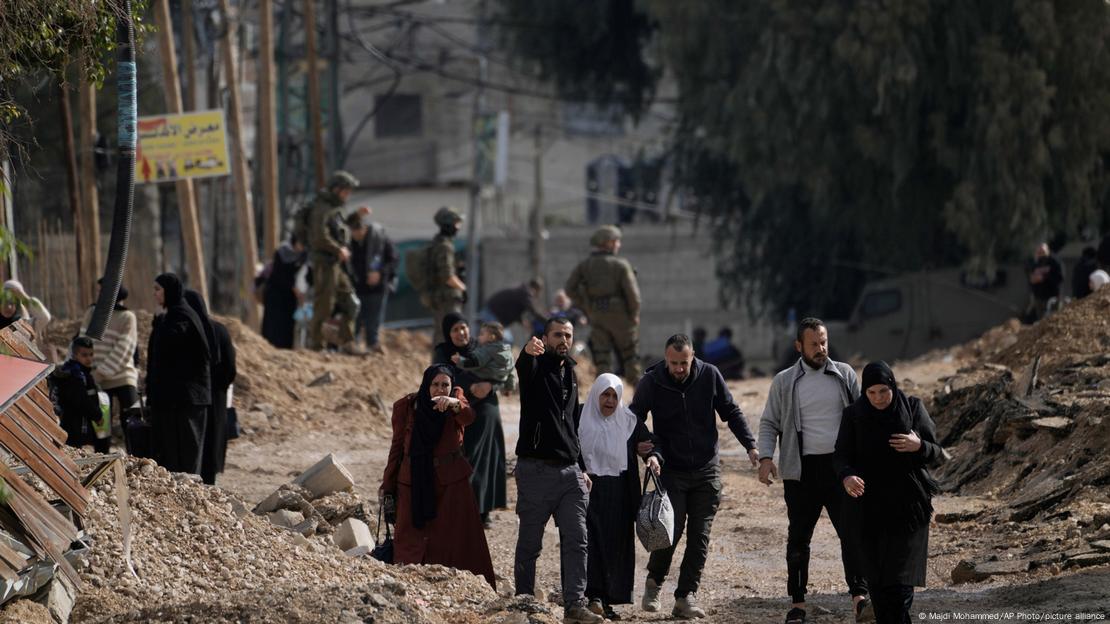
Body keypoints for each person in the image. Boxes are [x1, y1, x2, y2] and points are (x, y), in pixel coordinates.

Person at [630, 334, 760, 619]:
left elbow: (731, 411)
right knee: (669, 532)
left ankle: (685, 596)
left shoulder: (710, 375)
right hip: (671, 470)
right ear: (666, 359)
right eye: (674, 363)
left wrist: (751, 446)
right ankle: (654, 582)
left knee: (699, 537)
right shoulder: (652, 382)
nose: (679, 369)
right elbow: (633, 417)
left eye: (684, 363)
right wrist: (647, 447)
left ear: (693, 358)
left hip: (706, 469)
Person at [758, 317, 870, 624]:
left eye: (824, 342)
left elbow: (862, 418)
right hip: (801, 471)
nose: (821, 349)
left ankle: (860, 599)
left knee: (852, 534)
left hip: (840, 469)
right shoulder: (784, 381)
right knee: (798, 540)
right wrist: (766, 457)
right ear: (799, 346)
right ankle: (798, 604)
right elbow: (769, 422)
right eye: (814, 344)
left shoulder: (844, 374)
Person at [835, 362, 943, 624]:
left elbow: (937, 454)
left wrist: (918, 445)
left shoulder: (913, 408)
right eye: (871, 393)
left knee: (900, 585)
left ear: (893, 387)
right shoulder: (853, 415)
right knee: (879, 587)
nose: (878, 399)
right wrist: (847, 476)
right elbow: (840, 456)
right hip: (868, 510)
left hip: (908, 508)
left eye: (884, 391)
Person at [513, 318, 603, 624]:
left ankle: (575, 605)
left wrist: (581, 467)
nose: (563, 339)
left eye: (567, 335)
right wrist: (527, 352)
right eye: (557, 335)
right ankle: (523, 602)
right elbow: (523, 370)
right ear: (544, 338)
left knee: (577, 539)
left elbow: (571, 425)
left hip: (570, 473)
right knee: (530, 543)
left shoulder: (570, 371)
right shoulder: (536, 365)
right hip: (535, 469)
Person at [379, 364, 496, 589]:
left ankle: (458, 587)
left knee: (453, 539)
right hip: (413, 481)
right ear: (426, 385)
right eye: (435, 384)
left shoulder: (456, 404)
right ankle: (408, 584)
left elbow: (469, 417)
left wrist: (454, 404)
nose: (440, 389)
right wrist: (388, 483)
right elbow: (396, 448)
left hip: (450, 482)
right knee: (410, 537)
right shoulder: (408, 406)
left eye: (445, 385)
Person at [580, 373, 661, 621]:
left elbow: (650, 443)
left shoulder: (628, 420)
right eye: (605, 394)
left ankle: (607, 599)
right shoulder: (579, 417)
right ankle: (593, 596)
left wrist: (653, 457)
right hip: (588, 490)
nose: (610, 401)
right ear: (596, 394)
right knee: (591, 543)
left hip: (620, 492)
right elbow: (568, 447)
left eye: (615, 396)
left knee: (616, 545)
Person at [433, 314, 507, 528]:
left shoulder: (481, 347)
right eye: (455, 329)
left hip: (488, 412)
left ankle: (484, 511)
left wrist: (490, 387)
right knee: (466, 461)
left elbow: (503, 372)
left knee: (489, 461)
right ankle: (462, 511)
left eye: (463, 327)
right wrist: (468, 385)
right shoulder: (443, 352)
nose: (461, 333)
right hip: (460, 413)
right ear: (448, 333)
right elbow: (440, 379)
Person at [146, 273, 210, 476]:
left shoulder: (181, 316)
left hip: (185, 400)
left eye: (158, 289)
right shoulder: (174, 315)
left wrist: (159, 322)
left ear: (169, 291)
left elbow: (169, 346)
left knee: (185, 456)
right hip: (175, 399)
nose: (154, 294)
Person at [564, 225, 641, 381]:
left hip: (597, 315)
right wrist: (634, 314)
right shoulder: (620, 264)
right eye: (617, 241)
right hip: (620, 316)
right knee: (630, 355)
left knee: (602, 358)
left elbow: (569, 289)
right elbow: (633, 295)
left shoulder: (585, 265)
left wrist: (586, 307)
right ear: (609, 243)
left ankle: (604, 391)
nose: (619, 245)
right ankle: (638, 394)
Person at [183, 290, 236, 486]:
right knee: (213, 442)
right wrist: (219, 387)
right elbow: (230, 367)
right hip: (216, 396)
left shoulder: (186, 329)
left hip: (194, 397)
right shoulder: (220, 330)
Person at [307, 170, 362, 353]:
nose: (348, 195)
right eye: (346, 191)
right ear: (336, 189)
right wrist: (338, 249)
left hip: (336, 264)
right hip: (325, 264)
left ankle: (348, 343)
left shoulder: (334, 209)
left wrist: (356, 216)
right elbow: (319, 237)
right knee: (324, 304)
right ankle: (317, 345)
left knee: (350, 302)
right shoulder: (322, 208)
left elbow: (341, 226)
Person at [80, 281, 139, 439]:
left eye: (102, 291)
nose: (99, 295)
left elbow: (125, 347)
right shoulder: (92, 312)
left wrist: (102, 371)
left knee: (132, 420)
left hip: (122, 376)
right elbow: (84, 341)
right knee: (101, 426)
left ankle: (138, 456)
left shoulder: (127, 316)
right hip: (97, 378)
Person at [346, 210, 397, 351]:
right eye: (353, 231)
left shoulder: (379, 238)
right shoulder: (349, 242)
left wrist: (379, 273)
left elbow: (392, 259)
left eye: (359, 230)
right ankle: (353, 345)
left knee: (373, 319)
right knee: (355, 316)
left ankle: (372, 345)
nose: (357, 235)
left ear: (365, 228)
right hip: (357, 286)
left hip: (378, 287)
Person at [49, 336, 110, 453]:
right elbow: (81, 400)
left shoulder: (79, 373)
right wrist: (97, 415)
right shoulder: (75, 375)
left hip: (74, 423)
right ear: (75, 355)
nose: (89, 358)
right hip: (74, 424)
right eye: (84, 355)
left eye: (91, 354)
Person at [422, 206, 467, 344]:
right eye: (456, 223)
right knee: (449, 333)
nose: (458, 227)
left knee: (443, 333)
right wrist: (463, 288)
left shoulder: (438, 243)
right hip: (447, 298)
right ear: (448, 225)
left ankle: (441, 364)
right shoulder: (444, 246)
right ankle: (442, 364)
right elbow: (447, 276)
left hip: (440, 297)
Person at [260, 239, 308, 349]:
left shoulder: (303, 255)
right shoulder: (282, 252)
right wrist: (293, 287)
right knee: (272, 329)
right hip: (275, 295)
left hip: (289, 299)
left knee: (286, 331)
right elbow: (279, 275)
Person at [482, 279, 547, 343]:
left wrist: (522, 322)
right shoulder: (525, 292)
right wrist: (548, 321)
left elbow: (514, 310)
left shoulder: (522, 290)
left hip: (494, 315)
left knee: (505, 341)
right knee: (506, 341)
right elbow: (533, 311)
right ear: (537, 289)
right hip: (492, 315)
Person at [1026, 242, 1063, 322]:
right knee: (1042, 321)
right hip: (1039, 297)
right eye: (1039, 252)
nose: (1041, 255)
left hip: (1052, 296)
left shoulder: (1054, 261)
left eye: (1043, 252)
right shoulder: (1035, 263)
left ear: (1048, 251)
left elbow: (1060, 277)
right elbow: (1031, 277)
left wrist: (1044, 278)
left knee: (1054, 320)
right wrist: (1033, 280)